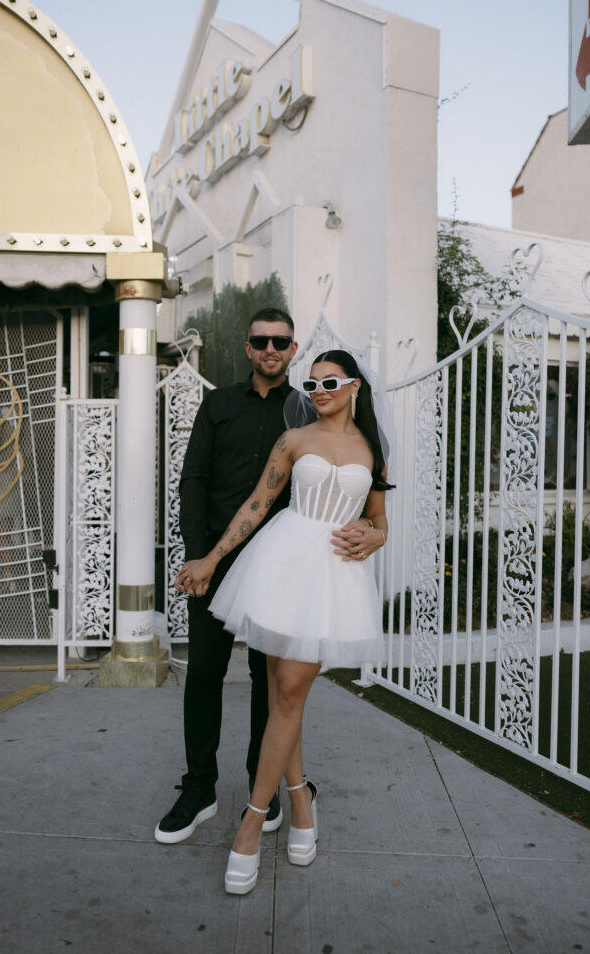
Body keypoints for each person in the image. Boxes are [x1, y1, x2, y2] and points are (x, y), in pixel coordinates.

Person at [175, 349, 392, 894]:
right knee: (282, 695)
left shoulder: (373, 450)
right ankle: (299, 803)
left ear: (355, 387)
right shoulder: (293, 441)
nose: (319, 390)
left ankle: (251, 823)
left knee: (290, 690)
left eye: (331, 381)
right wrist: (212, 558)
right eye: (312, 382)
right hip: (281, 562)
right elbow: (255, 504)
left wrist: (375, 536)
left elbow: (379, 520)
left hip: (333, 575)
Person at [154, 308, 298, 844]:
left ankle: (263, 786)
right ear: (246, 348)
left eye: (279, 341)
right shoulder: (218, 404)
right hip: (214, 561)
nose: (270, 350)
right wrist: (198, 556)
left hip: (278, 567)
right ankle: (199, 788)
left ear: (293, 347)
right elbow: (194, 480)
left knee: (271, 680)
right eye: (260, 340)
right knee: (204, 674)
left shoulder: (305, 409)